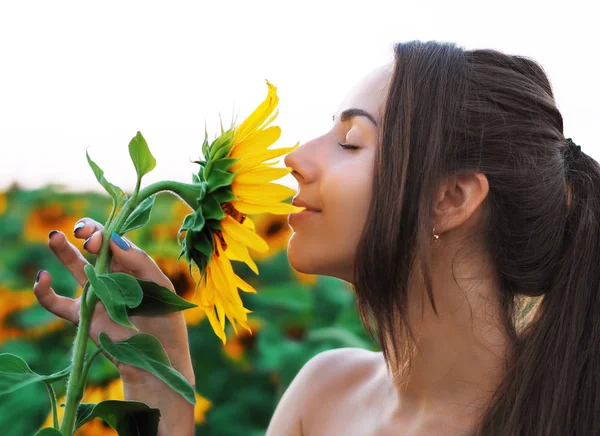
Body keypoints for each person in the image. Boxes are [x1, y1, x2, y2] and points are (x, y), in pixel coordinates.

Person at [33, 40, 600, 435]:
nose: (296, 157)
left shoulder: (572, 414)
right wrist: (157, 374)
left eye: (351, 141)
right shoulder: (324, 393)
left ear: (450, 198)